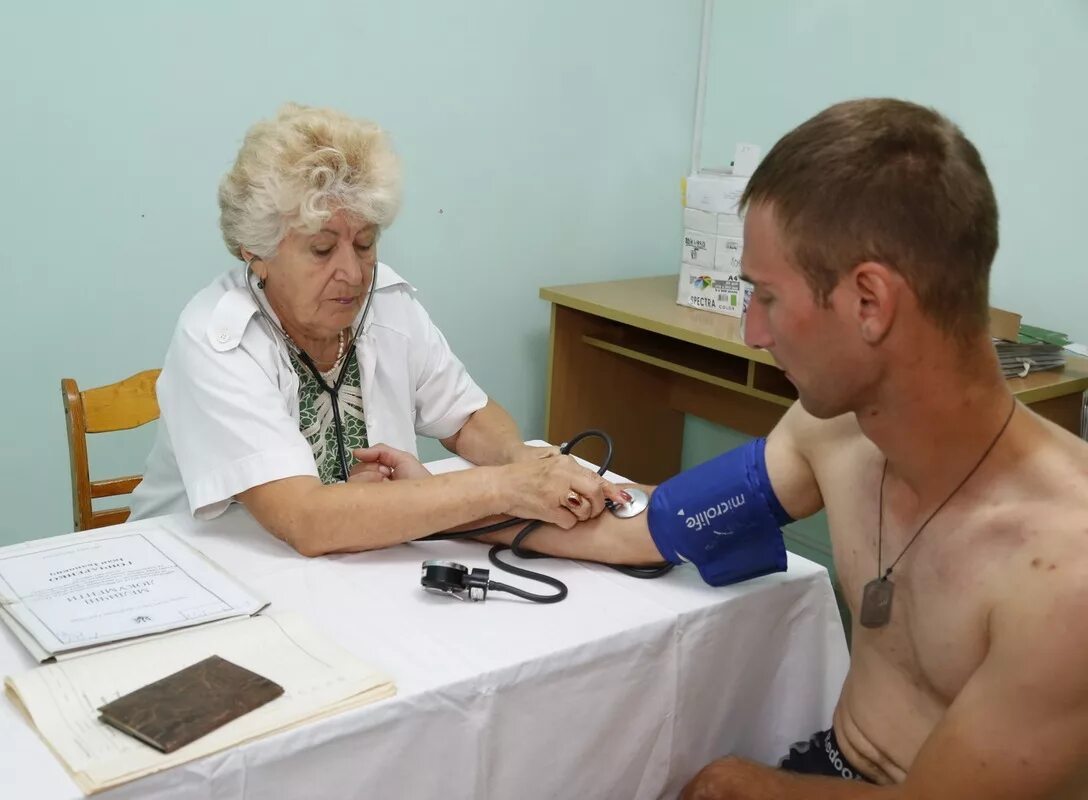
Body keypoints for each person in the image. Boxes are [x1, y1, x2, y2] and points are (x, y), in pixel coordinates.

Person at [360, 98, 1088, 799]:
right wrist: (435, 505)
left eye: (766, 297)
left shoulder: (1066, 573)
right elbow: (647, 531)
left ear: (870, 302)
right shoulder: (828, 432)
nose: (752, 334)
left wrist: (752, 787)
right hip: (834, 764)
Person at [129, 102, 625, 554]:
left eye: (365, 243)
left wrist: (519, 458)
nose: (353, 272)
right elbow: (307, 520)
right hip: (199, 578)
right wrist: (504, 487)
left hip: (356, 567)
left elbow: (468, 417)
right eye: (322, 250)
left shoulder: (385, 302)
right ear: (256, 254)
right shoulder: (215, 335)